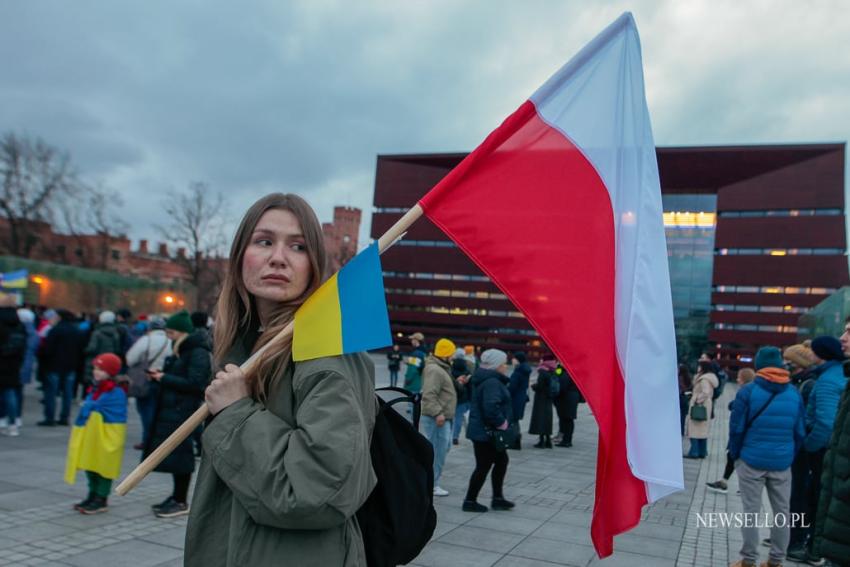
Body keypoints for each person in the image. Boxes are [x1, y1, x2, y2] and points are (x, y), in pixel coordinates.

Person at [184, 193, 377, 566]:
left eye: (298, 246)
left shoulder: (325, 353)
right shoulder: (243, 347)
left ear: (314, 264)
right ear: (241, 255)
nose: (278, 258)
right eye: (264, 241)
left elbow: (319, 489)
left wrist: (237, 413)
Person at [728, 346, 805, 567]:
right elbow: (799, 432)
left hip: (751, 459)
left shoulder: (748, 391)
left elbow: (737, 429)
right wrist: (789, 455)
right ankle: (776, 560)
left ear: (758, 365)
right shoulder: (793, 393)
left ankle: (749, 560)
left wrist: (736, 456)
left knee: (750, 512)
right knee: (782, 512)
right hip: (781, 462)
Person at [144, 310, 211, 518]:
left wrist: (163, 378)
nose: (168, 336)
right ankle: (176, 496)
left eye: (171, 332)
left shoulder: (197, 351)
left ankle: (181, 500)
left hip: (183, 410)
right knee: (175, 455)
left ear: (183, 332)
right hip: (174, 408)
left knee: (182, 455)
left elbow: (196, 384)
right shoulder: (182, 349)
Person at [785, 336, 846, 564]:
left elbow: (825, 423)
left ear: (819, 354)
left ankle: (804, 545)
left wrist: (808, 446)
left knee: (807, 499)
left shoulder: (828, 380)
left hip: (817, 452)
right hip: (824, 451)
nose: (807, 352)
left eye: (812, 350)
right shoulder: (834, 374)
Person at [64, 353, 128, 514]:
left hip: (107, 434)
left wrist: (91, 406)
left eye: (100, 369)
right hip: (92, 434)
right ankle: (92, 494)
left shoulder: (117, 392)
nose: (96, 372)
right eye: (95, 368)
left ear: (111, 372)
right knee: (90, 463)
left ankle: (101, 498)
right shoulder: (95, 387)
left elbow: (113, 411)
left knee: (103, 466)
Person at [813, 318, 850, 566]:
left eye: (849, 332)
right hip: (838, 523)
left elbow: (824, 424)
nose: (843, 338)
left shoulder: (828, 380)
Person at [463, 348, 515, 513]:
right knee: (484, 466)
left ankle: (497, 498)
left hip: (485, 432)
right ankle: (470, 501)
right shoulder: (492, 382)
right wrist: (502, 423)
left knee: (501, 461)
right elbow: (491, 407)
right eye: (503, 363)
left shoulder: (488, 379)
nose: (505, 366)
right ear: (496, 365)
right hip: (486, 433)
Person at [706, 367, 755, 493]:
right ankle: (725, 481)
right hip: (744, 431)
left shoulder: (747, 391)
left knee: (737, 457)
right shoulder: (751, 390)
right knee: (733, 457)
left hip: (742, 431)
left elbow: (736, 407)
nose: (737, 380)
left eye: (739, 377)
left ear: (744, 379)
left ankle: (741, 486)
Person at [420, 338, 458, 497]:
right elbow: (429, 393)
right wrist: (438, 413)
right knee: (437, 451)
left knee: (443, 448)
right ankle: (432, 484)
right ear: (445, 354)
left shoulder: (441, 368)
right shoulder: (435, 370)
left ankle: (431, 482)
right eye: (452, 354)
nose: (453, 357)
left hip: (442, 417)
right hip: (437, 418)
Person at [125, 317, 170, 450]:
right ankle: (158, 440)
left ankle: (148, 440)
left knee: (145, 411)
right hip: (164, 379)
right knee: (158, 411)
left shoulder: (146, 340)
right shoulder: (170, 341)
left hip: (145, 379)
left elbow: (130, 359)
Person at [37, 309, 84, 426]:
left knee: (51, 392)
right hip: (71, 365)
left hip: (54, 365)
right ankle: (64, 417)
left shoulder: (55, 330)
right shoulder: (76, 330)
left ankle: (50, 417)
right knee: (67, 393)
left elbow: (48, 349)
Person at [0, 293, 27, 437]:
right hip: (13, 362)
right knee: (10, 392)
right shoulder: (19, 323)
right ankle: (13, 423)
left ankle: (2, 419)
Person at [684, 358, 719, 459]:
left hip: (700, 405)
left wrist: (696, 400)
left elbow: (705, 392)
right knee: (702, 429)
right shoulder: (710, 378)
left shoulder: (704, 379)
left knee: (694, 428)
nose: (698, 367)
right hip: (706, 405)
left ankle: (694, 452)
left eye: (699, 366)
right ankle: (702, 451)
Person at [83, 311, 123, 391]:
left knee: (94, 382)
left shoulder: (97, 332)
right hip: (110, 361)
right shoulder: (116, 333)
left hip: (98, 361)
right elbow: (117, 349)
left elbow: (92, 348)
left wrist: (85, 351)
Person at [529, 356, 557, 448]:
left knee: (540, 419)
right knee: (547, 420)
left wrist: (533, 386)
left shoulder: (543, 372)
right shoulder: (553, 370)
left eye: (541, 359)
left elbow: (540, 386)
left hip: (541, 399)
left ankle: (541, 441)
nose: (540, 361)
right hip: (549, 398)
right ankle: (548, 441)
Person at [552, 364, 581, 448]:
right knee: (567, 419)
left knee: (567, 419)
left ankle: (566, 440)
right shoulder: (564, 371)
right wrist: (558, 369)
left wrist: (556, 395)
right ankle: (566, 439)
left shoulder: (567, 373)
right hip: (570, 398)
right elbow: (556, 374)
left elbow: (562, 387)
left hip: (568, 399)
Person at [507, 352, 531, 450]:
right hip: (521, 397)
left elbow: (512, 387)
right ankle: (516, 440)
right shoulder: (525, 370)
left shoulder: (518, 372)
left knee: (512, 419)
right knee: (515, 419)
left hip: (515, 398)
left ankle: (515, 441)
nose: (512, 360)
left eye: (514, 358)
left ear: (518, 360)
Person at [451, 347, 473, 445]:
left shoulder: (451, 367)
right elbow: (471, 385)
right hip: (463, 397)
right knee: (459, 418)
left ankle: (450, 434)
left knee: (450, 417)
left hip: (452, 395)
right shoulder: (467, 368)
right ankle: (455, 437)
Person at [678, 364, 693, 436]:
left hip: (680, 397)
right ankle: (682, 431)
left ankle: (679, 431)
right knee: (683, 416)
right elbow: (690, 387)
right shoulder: (689, 377)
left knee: (679, 415)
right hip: (685, 398)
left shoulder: (679, 378)